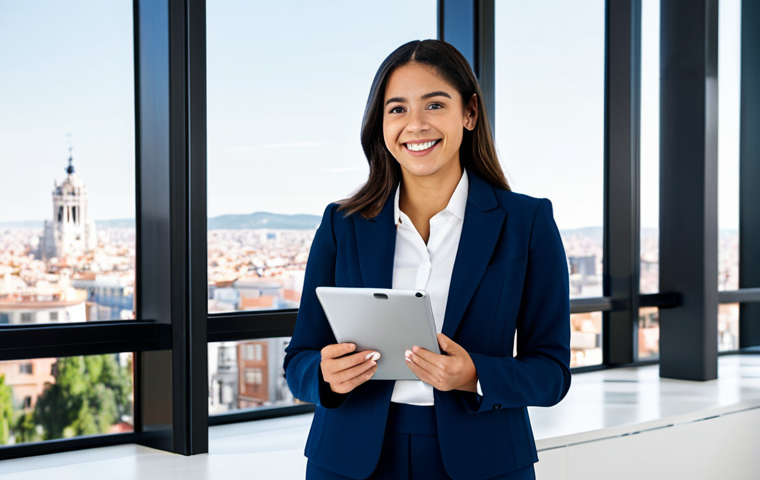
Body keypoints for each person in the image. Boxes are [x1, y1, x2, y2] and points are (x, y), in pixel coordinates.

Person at [283, 39, 571, 480]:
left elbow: (551, 374)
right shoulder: (343, 224)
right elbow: (299, 358)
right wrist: (324, 375)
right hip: (349, 458)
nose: (414, 125)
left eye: (434, 105)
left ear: (469, 113)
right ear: (380, 123)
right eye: (396, 109)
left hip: (485, 459)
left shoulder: (526, 222)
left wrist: (474, 374)